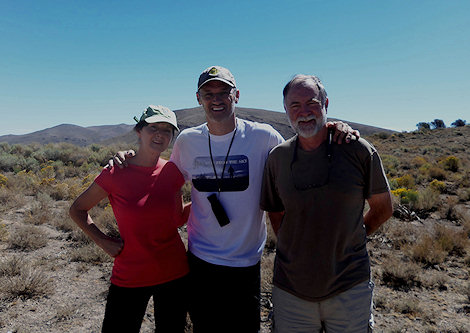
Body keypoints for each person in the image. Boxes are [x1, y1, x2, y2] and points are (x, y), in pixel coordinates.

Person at [111, 66, 359, 332]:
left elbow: (302, 148)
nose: (216, 99)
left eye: (223, 92)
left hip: (246, 262)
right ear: (198, 98)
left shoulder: (263, 137)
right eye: (208, 93)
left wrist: (332, 128)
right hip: (200, 260)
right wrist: (130, 157)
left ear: (236, 95)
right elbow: (164, 179)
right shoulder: (187, 140)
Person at [260, 75, 393, 332]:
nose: (304, 112)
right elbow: (275, 211)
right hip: (291, 290)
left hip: (349, 287)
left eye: (312, 103)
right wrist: (294, 244)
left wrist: (354, 238)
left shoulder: (358, 150)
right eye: (295, 105)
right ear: (285, 110)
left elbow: (383, 208)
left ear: (326, 103)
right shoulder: (278, 158)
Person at [69, 105, 191, 333]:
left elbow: (176, 220)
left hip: (174, 272)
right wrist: (103, 241)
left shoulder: (172, 172)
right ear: (139, 131)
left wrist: (204, 198)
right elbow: (77, 209)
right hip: (130, 274)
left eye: (167, 130)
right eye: (153, 128)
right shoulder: (115, 172)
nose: (160, 135)